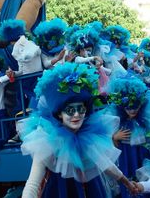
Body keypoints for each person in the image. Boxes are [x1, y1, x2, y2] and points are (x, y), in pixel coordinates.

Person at [17, 63, 136, 197]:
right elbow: (33, 184)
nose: (76, 115)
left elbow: (105, 164)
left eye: (81, 109)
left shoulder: (88, 136)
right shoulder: (47, 139)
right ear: (59, 114)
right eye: (70, 110)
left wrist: (127, 183)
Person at [107, 76, 150, 198]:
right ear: (121, 107)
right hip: (125, 157)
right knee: (128, 184)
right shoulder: (117, 122)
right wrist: (115, 137)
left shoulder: (144, 121)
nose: (132, 110)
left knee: (144, 180)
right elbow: (112, 149)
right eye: (128, 107)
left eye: (136, 106)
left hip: (142, 156)